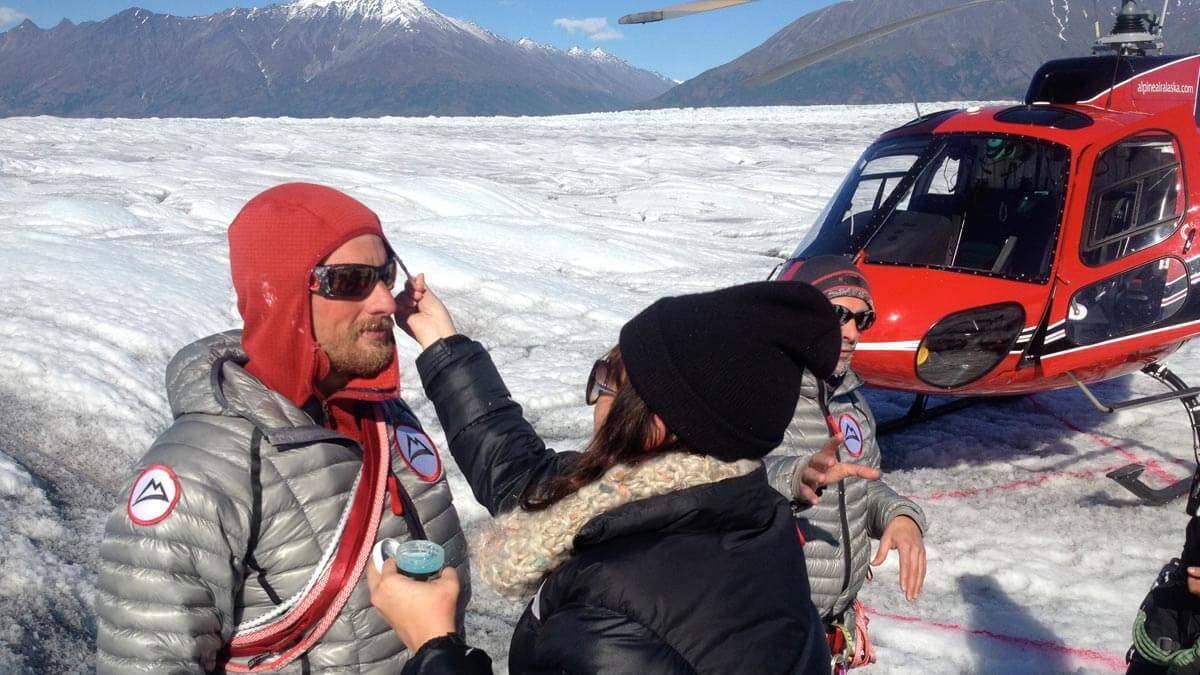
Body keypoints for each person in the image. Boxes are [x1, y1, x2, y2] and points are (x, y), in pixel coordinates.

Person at [370, 278, 845, 673]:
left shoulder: (613, 622)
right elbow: (525, 476)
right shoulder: (741, 514)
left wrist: (435, 648)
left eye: (607, 380)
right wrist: (442, 343)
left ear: (655, 422)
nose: (595, 395)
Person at [95, 183, 469, 673]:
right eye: (351, 280)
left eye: (385, 274)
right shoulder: (200, 475)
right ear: (285, 295)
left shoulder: (383, 418)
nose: (384, 300)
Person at [767, 255, 928, 672]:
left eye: (863, 319)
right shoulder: (763, 394)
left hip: (827, 625)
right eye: (840, 315)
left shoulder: (851, 399)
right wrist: (796, 476)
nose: (853, 334)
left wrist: (899, 514)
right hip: (767, 630)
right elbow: (735, 479)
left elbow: (863, 482)